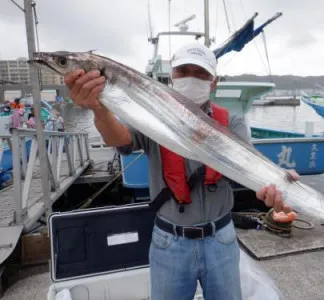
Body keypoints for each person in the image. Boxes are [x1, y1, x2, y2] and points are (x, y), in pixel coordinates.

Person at [64, 42, 299, 300]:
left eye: (200, 73)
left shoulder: (232, 121)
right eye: (184, 71)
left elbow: (250, 165)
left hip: (221, 238)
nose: (191, 78)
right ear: (172, 77)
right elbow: (119, 139)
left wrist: (275, 182)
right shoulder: (151, 114)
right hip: (169, 242)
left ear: (214, 81)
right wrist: (100, 110)